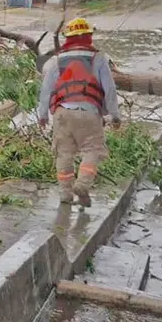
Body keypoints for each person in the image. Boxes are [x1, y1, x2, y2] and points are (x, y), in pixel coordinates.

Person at [37, 17, 122, 207]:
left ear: (68, 37)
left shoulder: (56, 60)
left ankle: (65, 195)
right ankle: (82, 184)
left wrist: (42, 115)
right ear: (89, 36)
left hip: (62, 113)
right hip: (89, 113)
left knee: (64, 154)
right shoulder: (99, 57)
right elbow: (109, 90)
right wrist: (115, 115)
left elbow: (46, 90)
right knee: (92, 150)